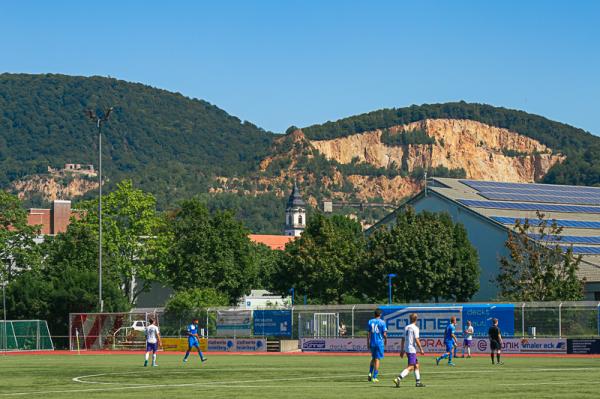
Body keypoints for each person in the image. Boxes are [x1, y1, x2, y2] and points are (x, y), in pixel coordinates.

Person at [394, 313, 426, 388]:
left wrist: (402, 350)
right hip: (412, 349)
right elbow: (417, 339)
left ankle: (418, 382)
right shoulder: (415, 328)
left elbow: (402, 339)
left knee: (416, 365)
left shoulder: (406, 327)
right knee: (411, 367)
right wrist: (421, 349)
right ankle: (398, 378)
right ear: (416, 319)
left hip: (407, 349)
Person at [367, 309, 387, 383]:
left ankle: (369, 373)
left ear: (374, 314)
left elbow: (368, 333)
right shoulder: (382, 322)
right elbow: (384, 334)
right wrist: (386, 340)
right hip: (379, 343)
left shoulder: (370, 321)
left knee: (373, 358)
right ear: (380, 314)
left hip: (372, 342)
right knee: (377, 359)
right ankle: (374, 377)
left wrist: (367, 342)